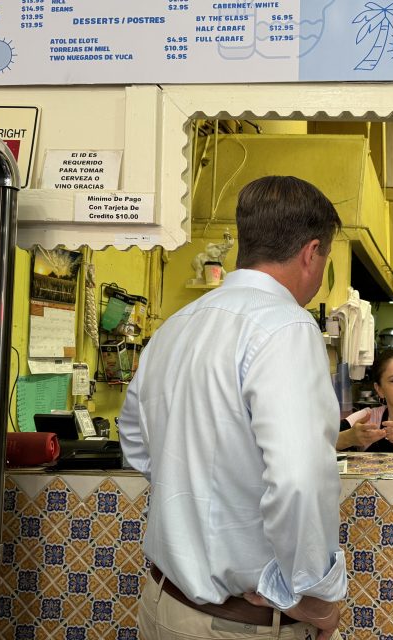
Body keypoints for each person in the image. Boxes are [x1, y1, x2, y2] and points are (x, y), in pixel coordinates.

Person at [119, 176, 347, 640]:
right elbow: (298, 480)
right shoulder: (286, 327)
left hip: (162, 606)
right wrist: (315, 596)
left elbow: (137, 446)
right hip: (235, 625)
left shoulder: (175, 327)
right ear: (311, 252)